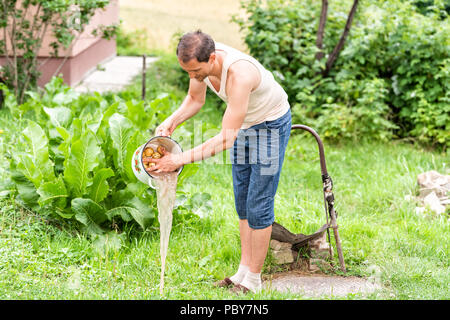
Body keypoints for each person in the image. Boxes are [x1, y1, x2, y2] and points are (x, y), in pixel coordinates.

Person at [145, 30, 291, 293]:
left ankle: (254, 281)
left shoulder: (240, 74)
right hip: (244, 125)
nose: (193, 77)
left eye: (195, 71)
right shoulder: (199, 61)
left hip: (270, 127)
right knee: (242, 200)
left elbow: (225, 140)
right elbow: (194, 99)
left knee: (258, 202)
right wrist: (172, 121)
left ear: (212, 58)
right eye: (187, 72)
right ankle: (242, 273)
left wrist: (178, 160)